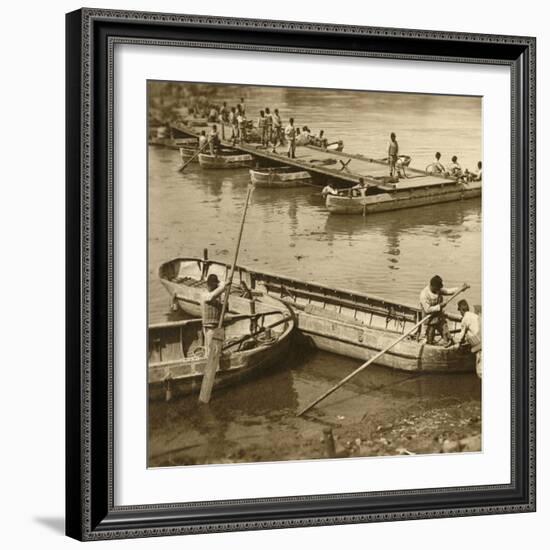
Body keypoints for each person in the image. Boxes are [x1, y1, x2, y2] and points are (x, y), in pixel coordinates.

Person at [419, 275, 466, 346]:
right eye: (438, 288)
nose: (439, 290)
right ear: (433, 286)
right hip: (428, 320)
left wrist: (460, 289)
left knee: (447, 336)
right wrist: (439, 306)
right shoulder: (424, 294)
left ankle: (448, 341)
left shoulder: (438, 290)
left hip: (439, 318)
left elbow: (448, 291)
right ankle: (429, 341)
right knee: (428, 341)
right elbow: (427, 309)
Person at [201, 274, 228, 354]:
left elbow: (225, 308)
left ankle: (219, 362)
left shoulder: (217, 295)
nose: (210, 287)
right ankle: (211, 364)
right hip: (209, 328)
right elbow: (211, 297)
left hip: (218, 326)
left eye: (213, 286)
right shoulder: (205, 294)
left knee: (218, 351)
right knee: (211, 351)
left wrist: (224, 302)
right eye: (210, 285)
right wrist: (223, 286)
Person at [455, 299, 482, 378]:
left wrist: (457, 343)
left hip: (480, 347)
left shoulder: (465, 319)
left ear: (461, 310)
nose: (460, 313)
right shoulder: (475, 315)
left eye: (460, 311)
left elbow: (461, 336)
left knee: (480, 372)